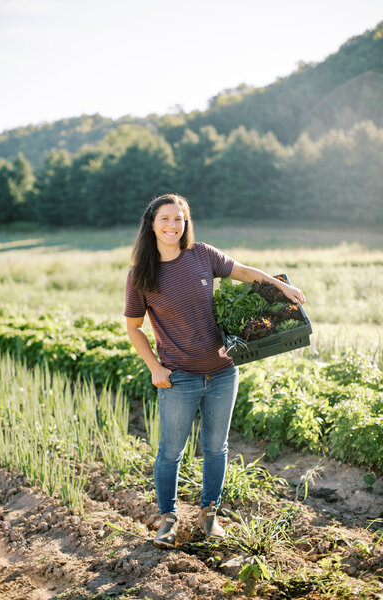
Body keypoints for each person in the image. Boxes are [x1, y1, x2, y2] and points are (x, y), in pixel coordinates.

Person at [124, 193, 305, 549]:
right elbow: (134, 328)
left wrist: (282, 285)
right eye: (165, 219)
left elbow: (245, 273)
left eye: (179, 219)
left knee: (216, 448)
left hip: (223, 373)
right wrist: (155, 367)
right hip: (179, 378)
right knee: (171, 452)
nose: (173, 225)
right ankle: (168, 520)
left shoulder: (202, 255)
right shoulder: (141, 274)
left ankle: (210, 514)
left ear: (186, 223)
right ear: (151, 224)